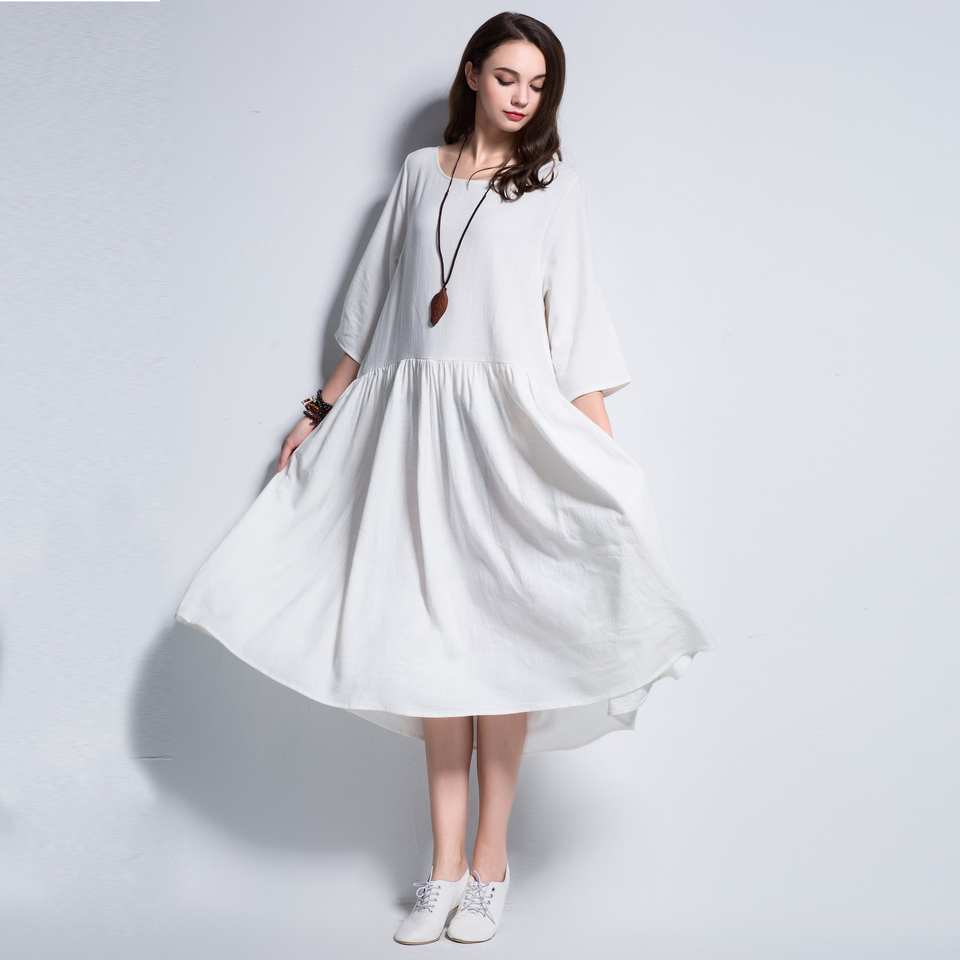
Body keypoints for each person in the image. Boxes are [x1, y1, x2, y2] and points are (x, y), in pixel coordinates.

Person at [175, 11, 714, 946]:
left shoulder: (556, 188)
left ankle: (489, 868)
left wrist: (606, 459)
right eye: (507, 77)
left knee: (505, 653)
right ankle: (443, 869)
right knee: (433, 659)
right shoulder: (418, 174)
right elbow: (372, 302)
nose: (521, 96)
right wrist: (317, 410)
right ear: (471, 74)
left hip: (508, 444)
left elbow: (576, 330)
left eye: (537, 85)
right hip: (417, 442)